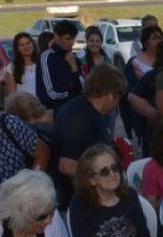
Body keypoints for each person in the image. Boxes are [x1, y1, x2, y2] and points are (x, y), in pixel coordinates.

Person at [50, 64, 127, 209]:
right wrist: (101, 183)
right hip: (82, 200)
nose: (118, 102)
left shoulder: (86, 108)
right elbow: (66, 166)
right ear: (111, 94)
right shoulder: (81, 119)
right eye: (119, 96)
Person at [37, 19, 84, 112]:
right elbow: (50, 93)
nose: (72, 42)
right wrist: (71, 93)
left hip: (75, 110)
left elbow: (83, 89)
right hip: (55, 112)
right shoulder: (47, 57)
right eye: (68, 38)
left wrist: (74, 67)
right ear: (56, 37)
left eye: (73, 39)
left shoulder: (73, 57)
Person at [4, 32, 40, 100]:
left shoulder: (42, 63)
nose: (26, 47)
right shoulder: (12, 68)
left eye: (28, 43)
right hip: (23, 105)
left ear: (33, 43)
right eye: (22, 45)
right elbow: (12, 96)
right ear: (17, 48)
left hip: (41, 105)